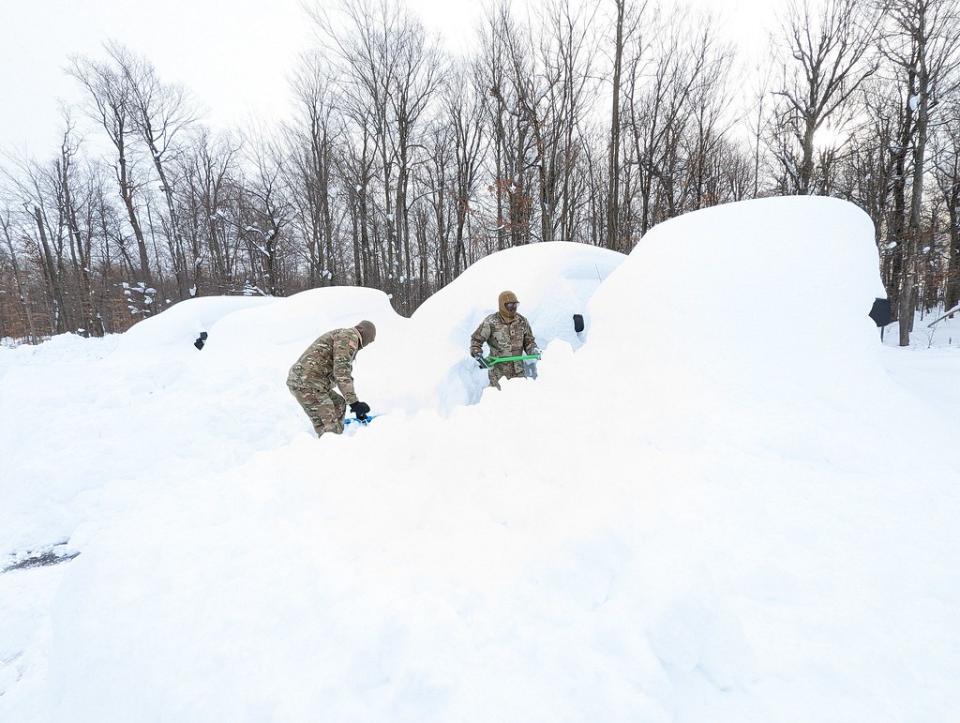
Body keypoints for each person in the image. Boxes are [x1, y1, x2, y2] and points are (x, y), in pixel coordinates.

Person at [287, 320, 376, 437]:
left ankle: (337, 434)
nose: (365, 345)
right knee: (329, 423)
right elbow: (342, 372)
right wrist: (355, 404)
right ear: (363, 332)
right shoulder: (349, 337)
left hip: (312, 382)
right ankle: (330, 441)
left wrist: (352, 403)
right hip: (307, 383)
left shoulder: (343, 335)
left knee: (338, 404)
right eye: (368, 341)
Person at [469, 290, 538, 389]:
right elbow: (476, 340)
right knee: (499, 402)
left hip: (519, 372)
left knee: (521, 400)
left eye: (515, 305)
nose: (513, 308)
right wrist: (477, 354)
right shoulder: (491, 322)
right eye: (510, 305)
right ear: (502, 305)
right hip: (498, 374)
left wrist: (533, 350)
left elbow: (529, 341)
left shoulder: (522, 321)